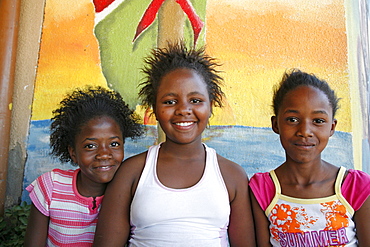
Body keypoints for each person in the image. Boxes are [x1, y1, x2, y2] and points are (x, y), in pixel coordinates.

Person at [93, 42, 256, 246]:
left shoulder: (231, 175)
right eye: (170, 102)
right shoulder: (132, 172)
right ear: (154, 108)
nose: (183, 110)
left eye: (195, 100)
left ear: (211, 105)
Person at [249, 69, 370, 246]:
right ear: (275, 124)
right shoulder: (264, 189)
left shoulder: (355, 187)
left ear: (332, 127)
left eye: (318, 121)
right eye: (292, 119)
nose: (305, 131)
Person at [24, 86, 143, 246]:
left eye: (114, 144)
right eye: (90, 146)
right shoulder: (50, 187)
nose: (104, 154)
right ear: (73, 153)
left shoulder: (132, 192)